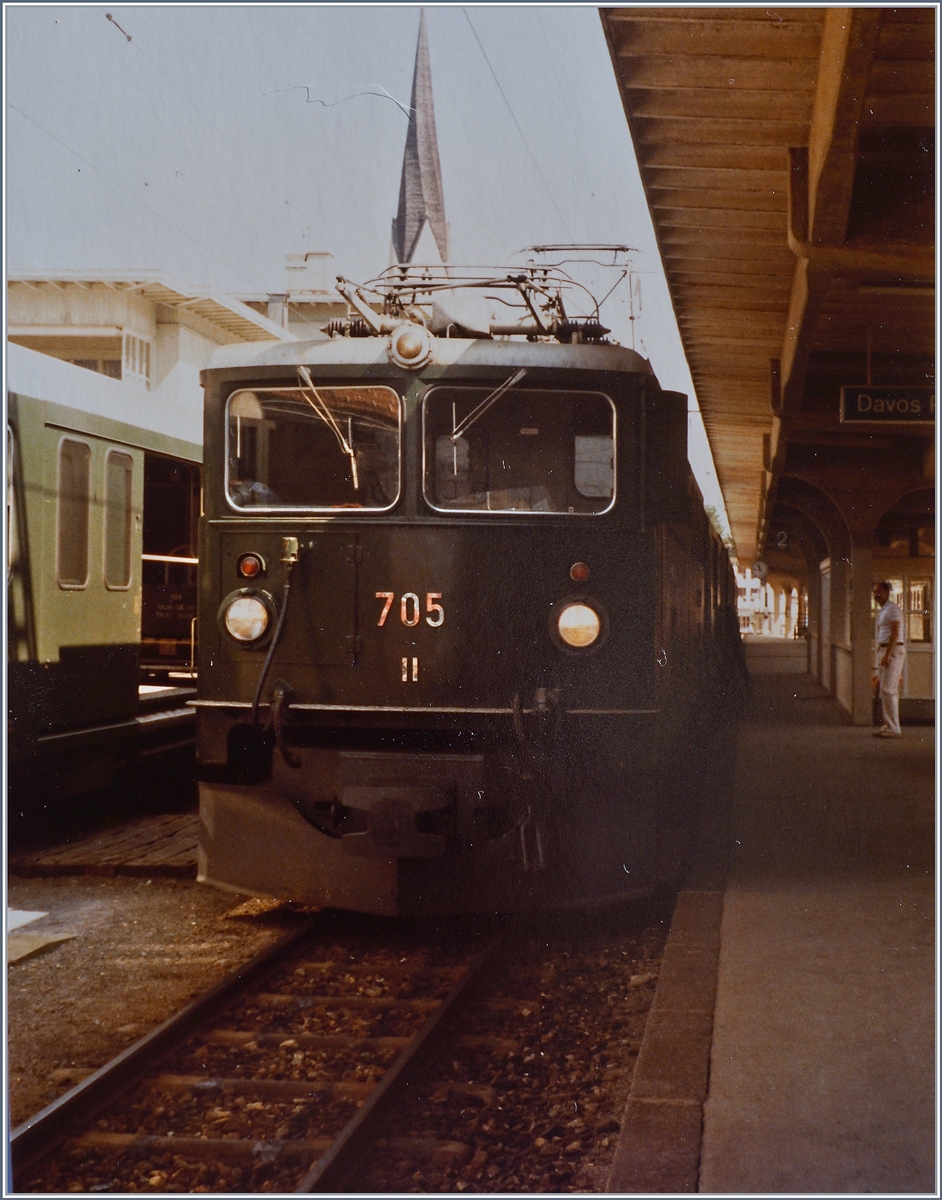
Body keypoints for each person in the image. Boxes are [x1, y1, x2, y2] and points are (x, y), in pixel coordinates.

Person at [872, 580, 905, 738]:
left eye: (879, 591)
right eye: (874, 591)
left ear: (887, 592)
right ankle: (889, 725)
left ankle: (893, 728)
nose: (876, 594)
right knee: (886, 690)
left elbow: (895, 632)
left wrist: (887, 655)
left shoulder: (892, 609)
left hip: (892, 650)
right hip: (885, 649)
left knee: (888, 690)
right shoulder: (884, 610)